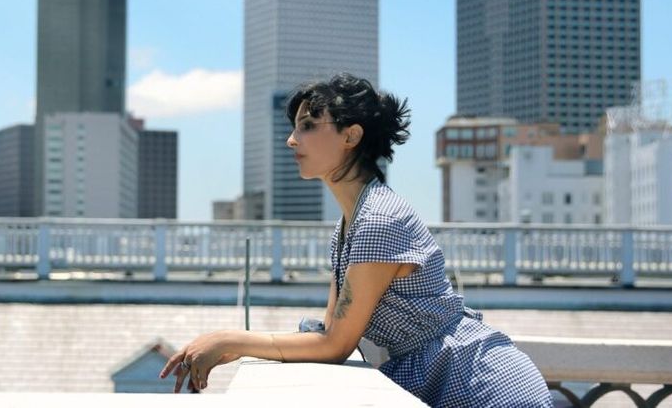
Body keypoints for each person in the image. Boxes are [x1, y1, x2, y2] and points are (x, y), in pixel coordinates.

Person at [160, 73, 553, 407]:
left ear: (351, 136)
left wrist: (230, 339)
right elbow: (329, 332)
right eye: (295, 127)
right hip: (458, 383)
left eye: (308, 125)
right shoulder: (352, 224)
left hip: (488, 389)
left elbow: (335, 344)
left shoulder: (378, 220)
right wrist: (234, 347)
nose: (292, 140)